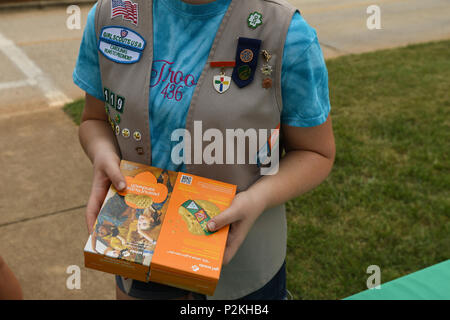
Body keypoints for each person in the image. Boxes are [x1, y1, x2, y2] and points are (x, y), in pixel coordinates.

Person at [74, 0, 335, 300]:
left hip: (240, 266)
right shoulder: (112, 14)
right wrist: (102, 152)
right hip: (138, 249)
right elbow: (94, 119)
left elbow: (316, 152)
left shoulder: (286, 33)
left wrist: (257, 198)